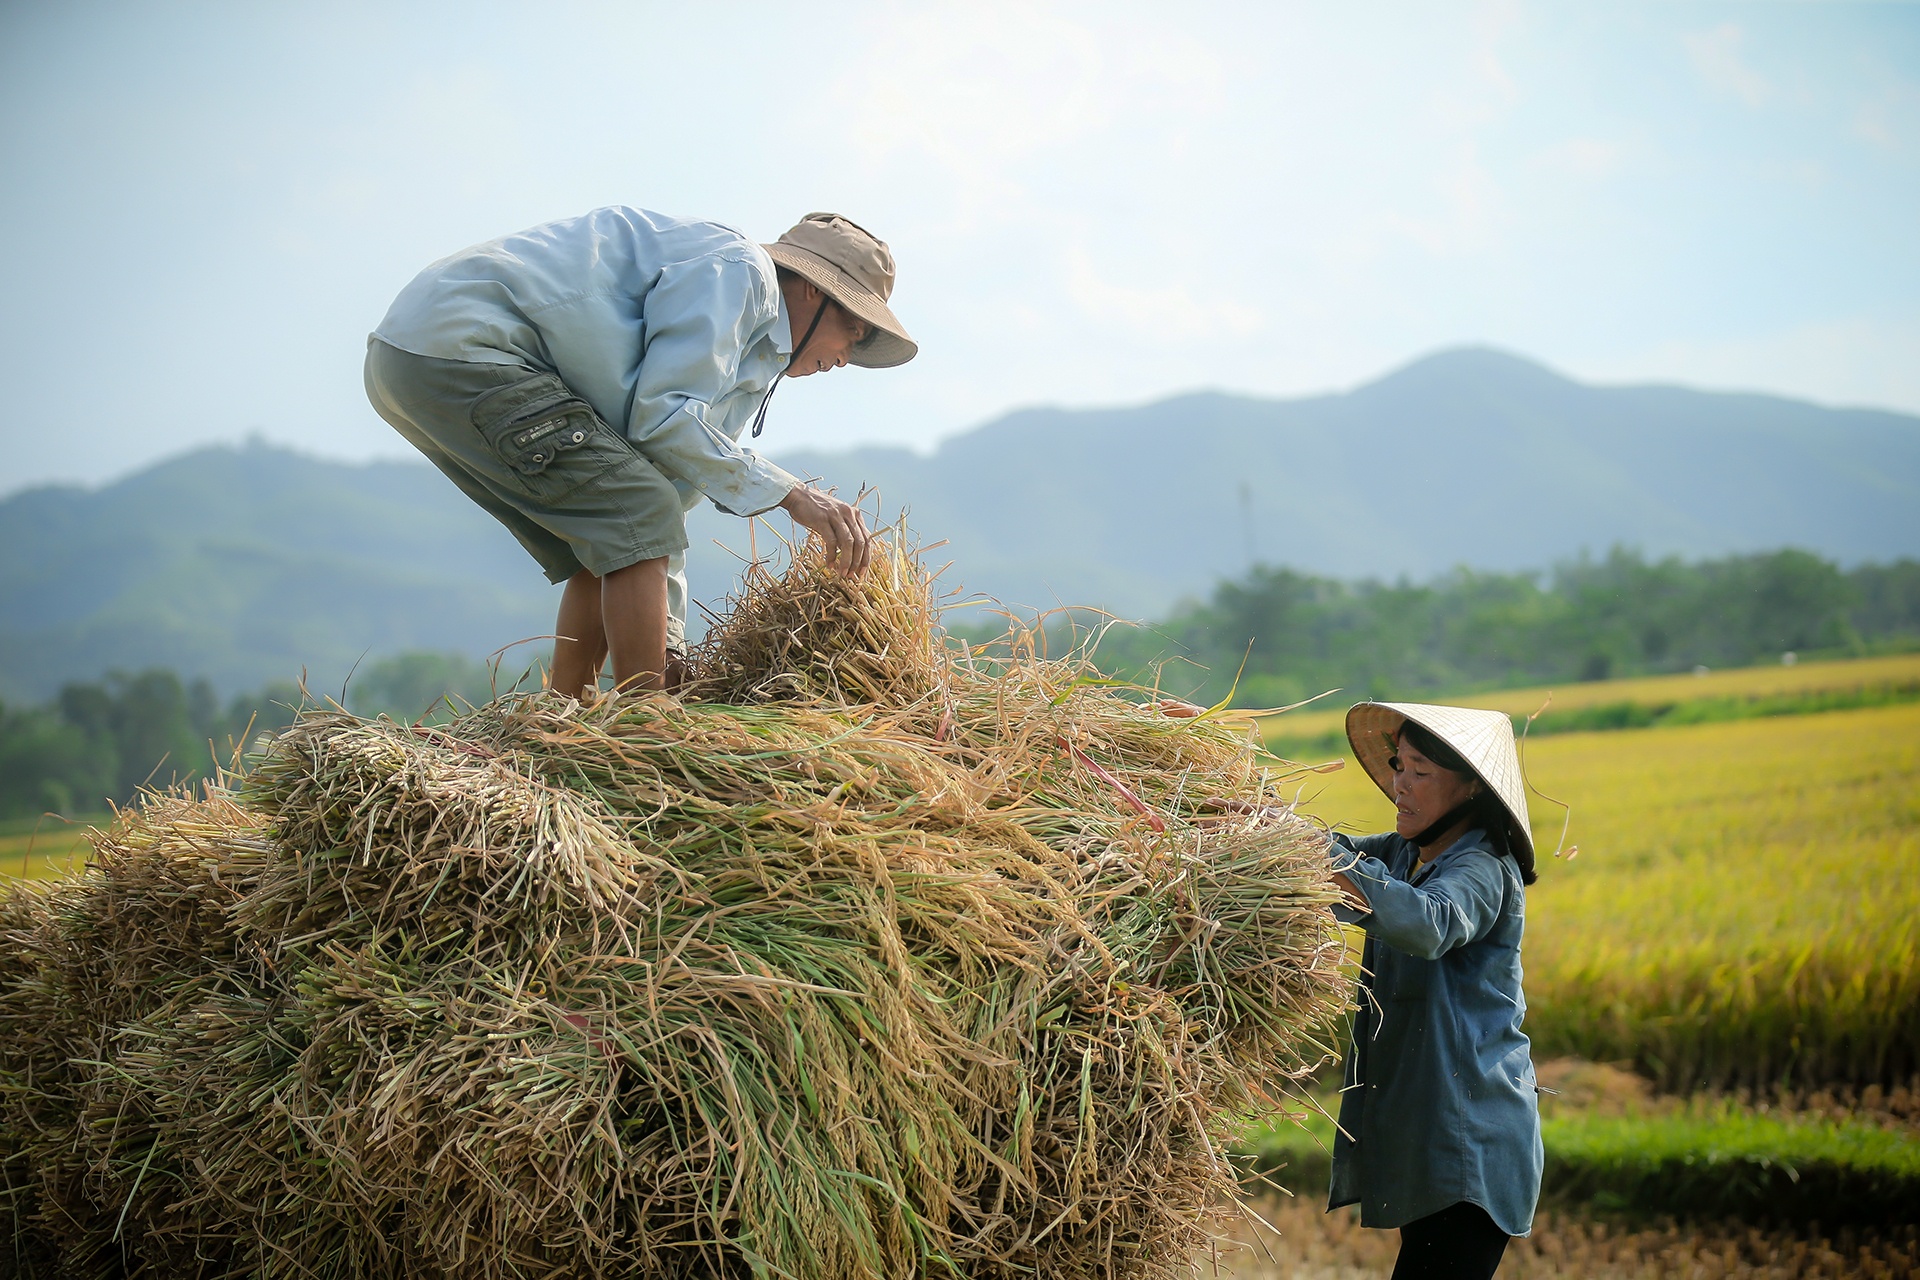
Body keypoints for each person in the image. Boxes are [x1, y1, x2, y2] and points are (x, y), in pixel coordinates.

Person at [364, 207, 916, 698]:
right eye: (854, 327)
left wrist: (668, 644)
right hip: (464, 346)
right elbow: (663, 420)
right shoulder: (740, 274)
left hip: (411, 354)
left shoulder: (745, 354)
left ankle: (564, 714)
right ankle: (646, 725)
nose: (849, 354)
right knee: (631, 512)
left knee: (610, 532)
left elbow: (660, 497)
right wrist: (791, 494)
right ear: (814, 290)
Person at [1324, 701, 1543, 1280]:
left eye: (1422, 773)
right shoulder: (1403, 853)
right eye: (1400, 766)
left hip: (1471, 1144)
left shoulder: (1483, 870)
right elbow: (1329, 858)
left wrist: (1322, 856)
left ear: (1471, 788)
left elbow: (1427, 923)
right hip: (1425, 1139)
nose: (1401, 786)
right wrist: (1256, 823)